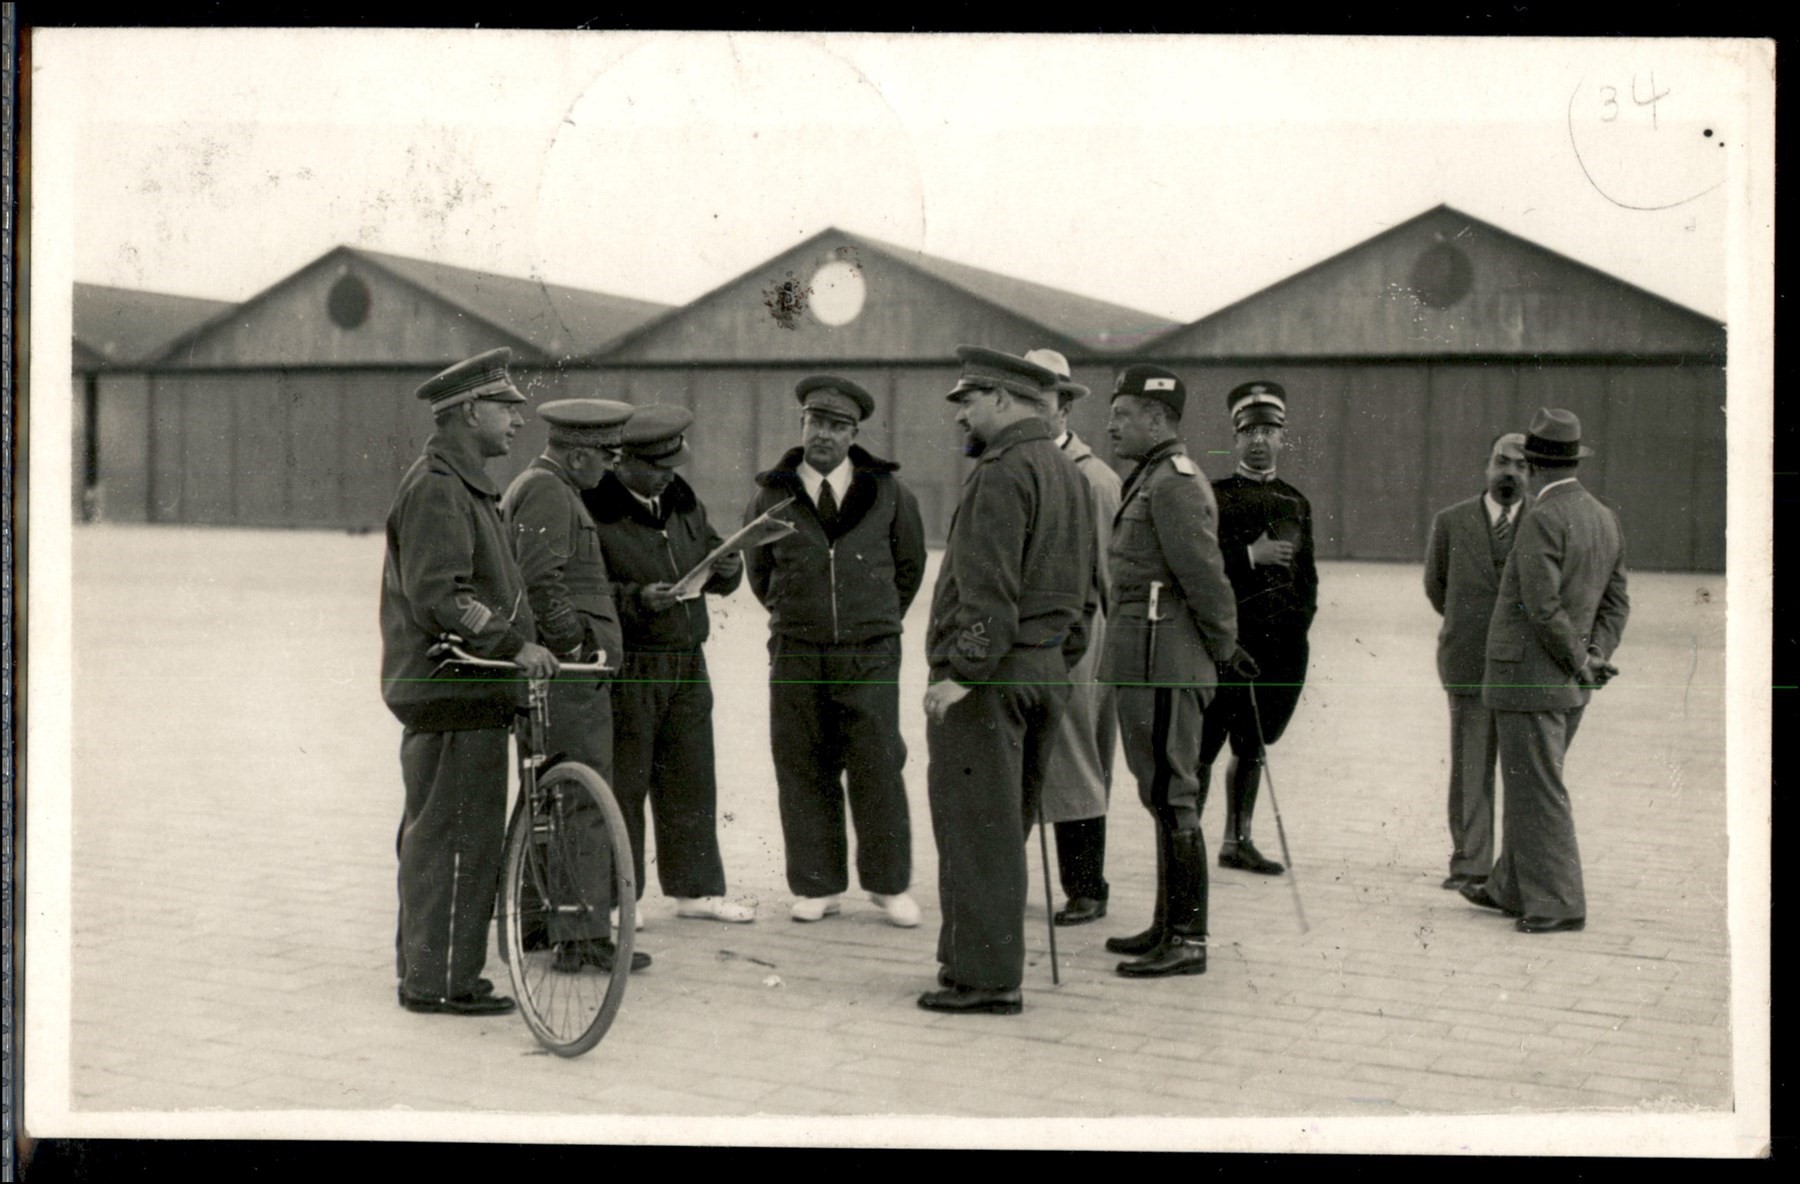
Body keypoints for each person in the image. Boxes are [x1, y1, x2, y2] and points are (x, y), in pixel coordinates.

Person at [379, 347, 560, 1017]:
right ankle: (438, 983)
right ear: (468, 411)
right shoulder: (438, 489)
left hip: (464, 690)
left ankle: (433, 972)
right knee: (454, 843)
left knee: (447, 838)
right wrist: (513, 646)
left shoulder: (461, 484)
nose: (518, 419)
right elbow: (443, 597)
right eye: (506, 407)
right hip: (453, 690)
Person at [917, 345, 1093, 1016]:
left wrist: (964, 673)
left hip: (990, 683)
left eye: (968, 402)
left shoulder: (1000, 472)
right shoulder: (1069, 471)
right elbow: (1088, 594)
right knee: (1002, 829)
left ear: (1000, 399)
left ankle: (986, 978)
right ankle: (970, 959)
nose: (960, 416)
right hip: (1043, 674)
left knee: (977, 831)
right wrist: (1051, 661)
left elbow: (988, 590)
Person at [744, 375, 928, 927]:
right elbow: (760, 572)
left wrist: (871, 619)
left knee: (877, 762)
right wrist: (799, 616)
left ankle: (888, 885)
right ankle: (817, 885)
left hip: (869, 651)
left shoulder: (889, 492)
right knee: (802, 761)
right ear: (801, 425)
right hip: (797, 650)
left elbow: (910, 567)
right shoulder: (772, 495)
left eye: (836, 425)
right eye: (815, 422)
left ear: (854, 434)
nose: (823, 434)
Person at [580, 404, 756, 924]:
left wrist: (728, 566)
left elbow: (712, 552)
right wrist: (637, 598)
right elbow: (585, 587)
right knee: (626, 781)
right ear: (624, 462)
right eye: (657, 468)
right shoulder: (593, 507)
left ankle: (696, 892)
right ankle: (619, 898)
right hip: (632, 664)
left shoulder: (682, 499)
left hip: (687, 661)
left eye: (673, 467)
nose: (667, 477)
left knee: (691, 777)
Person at [1098, 364, 1246, 979]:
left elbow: (1206, 577)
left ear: (1157, 418)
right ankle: (1167, 925)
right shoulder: (1152, 477)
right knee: (1159, 793)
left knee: (1173, 794)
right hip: (1146, 659)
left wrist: (1223, 647)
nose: (1112, 426)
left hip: (1166, 661)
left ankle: (1188, 938)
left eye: (1123, 415)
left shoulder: (1174, 483)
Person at [1462, 409, 1628, 934]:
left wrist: (1580, 660)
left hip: (1529, 679)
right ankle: (1509, 886)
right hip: (1569, 684)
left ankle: (1558, 903)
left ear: (1532, 465)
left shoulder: (1541, 518)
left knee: (1537, 791)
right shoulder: (1604, 517)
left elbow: (1541, 606)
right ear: (1574, 461)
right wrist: (1594, 656)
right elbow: (1616, 603)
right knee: (1530, 783)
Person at [501, 398, 651, 974]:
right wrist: (577, 649)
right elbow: (541, 582)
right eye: (607, 456)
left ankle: (539, 923)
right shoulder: (548, 491)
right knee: (581, 799)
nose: (611, 468)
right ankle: (582, 936)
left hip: (562, 677)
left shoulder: (548, 487)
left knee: (550, 797)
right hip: (569, 680)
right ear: (578, 454)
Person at [1196, 380, 1319, 876]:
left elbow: (1306, 579)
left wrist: (1296, 631)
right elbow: (1200, 566)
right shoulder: (1215, 495)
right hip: (1225, 647)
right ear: (1235, 438)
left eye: (1269, 431)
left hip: (1276, 651)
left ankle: (1237, 841)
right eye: (1249, 432)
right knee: (1204, 746)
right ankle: (1185, 845)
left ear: (1282, 437)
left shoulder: (1295, 502)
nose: (1259, 441)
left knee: (1252, 745)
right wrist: (1251, 554)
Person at [1021, 348, 1123, 926]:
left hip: (1078, 642)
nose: (1033, 409)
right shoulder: (1011, 465)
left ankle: (1087, 886)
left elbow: (1110, 579)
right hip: (1021, 638)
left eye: (1042, 399)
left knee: (1077, 758)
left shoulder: (1095, 479)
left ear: (1064, 406)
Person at [1423, 432, 1529, 892]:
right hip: (1467, 660)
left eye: (1522, 465)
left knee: (1524, 772)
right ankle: (1471, 863)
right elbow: (1437, 587)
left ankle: (1517, 868)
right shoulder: (1450, 522)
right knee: (1470, 767)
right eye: (1503, 461)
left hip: (1524, 668)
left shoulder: (1543, 522)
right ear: (1486, 466)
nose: (1510, 472)